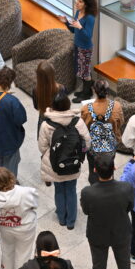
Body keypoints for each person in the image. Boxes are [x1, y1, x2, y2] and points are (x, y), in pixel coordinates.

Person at [80, 154, 134, 269]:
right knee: (124, 266)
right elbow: (130, 207)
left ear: (95, 170)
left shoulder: (88, 192)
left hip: (98, 234)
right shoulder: (126, 188)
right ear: (114, 168)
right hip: (121, 232)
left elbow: (86, 211)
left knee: (98, 267)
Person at [38, 93, 91, 230]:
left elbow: (42, 147)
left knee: (59, 190)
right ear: (68, 105)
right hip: (73, 163)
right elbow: (87, 143)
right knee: (71, 190)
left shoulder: (46, 124)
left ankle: (61, 218)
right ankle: (71, 221)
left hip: (55, 164)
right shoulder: (77, 122)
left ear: (53, 107)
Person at [0, 167, 39, 269]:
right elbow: (35, 204)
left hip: (5, 227)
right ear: (11, 177)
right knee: (23, 253)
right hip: (24, 227)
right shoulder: (26, 192)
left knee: (7, 249)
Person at [80, 80, 124, 185]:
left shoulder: (86, 108)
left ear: (94, 91)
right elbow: (121, 122)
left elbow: (83, 128)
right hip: (110, 146)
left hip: (93, 147)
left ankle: (94, 187)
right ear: (107, 92)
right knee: (109, 167)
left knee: (93, 169)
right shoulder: (116, 106)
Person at [57, 0, 97, 103]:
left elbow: (88, 36)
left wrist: (80, 27)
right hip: (77, 45)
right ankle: (87, 91)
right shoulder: (78, 12)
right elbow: (73, 30)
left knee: (85, 71)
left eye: (80, 1)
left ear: (86, 4)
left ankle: (86, 94)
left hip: (85, 48)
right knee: (81, 70)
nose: (77, 3)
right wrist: (66, 22)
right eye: (77, 0)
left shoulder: (90, 18)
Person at [32, 60, 65, 137]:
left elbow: (36, 107)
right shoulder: (61, 89)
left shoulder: (35, 90)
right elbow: (64, 108)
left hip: (43, 120)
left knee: (44, 142)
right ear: (52, 75)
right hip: (58, 121)